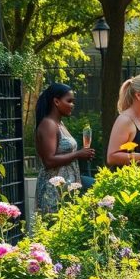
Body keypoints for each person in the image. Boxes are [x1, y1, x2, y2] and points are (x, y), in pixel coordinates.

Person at [35, 83, 95, 214]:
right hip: (53, 192)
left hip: (67, 188)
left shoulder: (60, 124)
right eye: (69, 101)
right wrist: (78, 154)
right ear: (56, 101)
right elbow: (49, 161)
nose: (72, 105)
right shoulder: (48, 124)